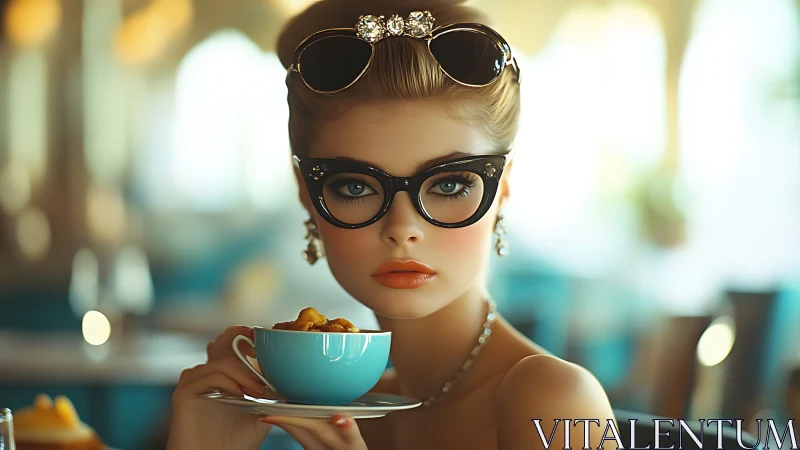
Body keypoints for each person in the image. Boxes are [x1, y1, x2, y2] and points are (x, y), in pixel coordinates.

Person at [167, 0, 617, 448]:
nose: (402, 229)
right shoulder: (345, 410)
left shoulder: (553, 399)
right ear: (306, 191)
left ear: (502, 187)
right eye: (357, 187)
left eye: (450, 184)